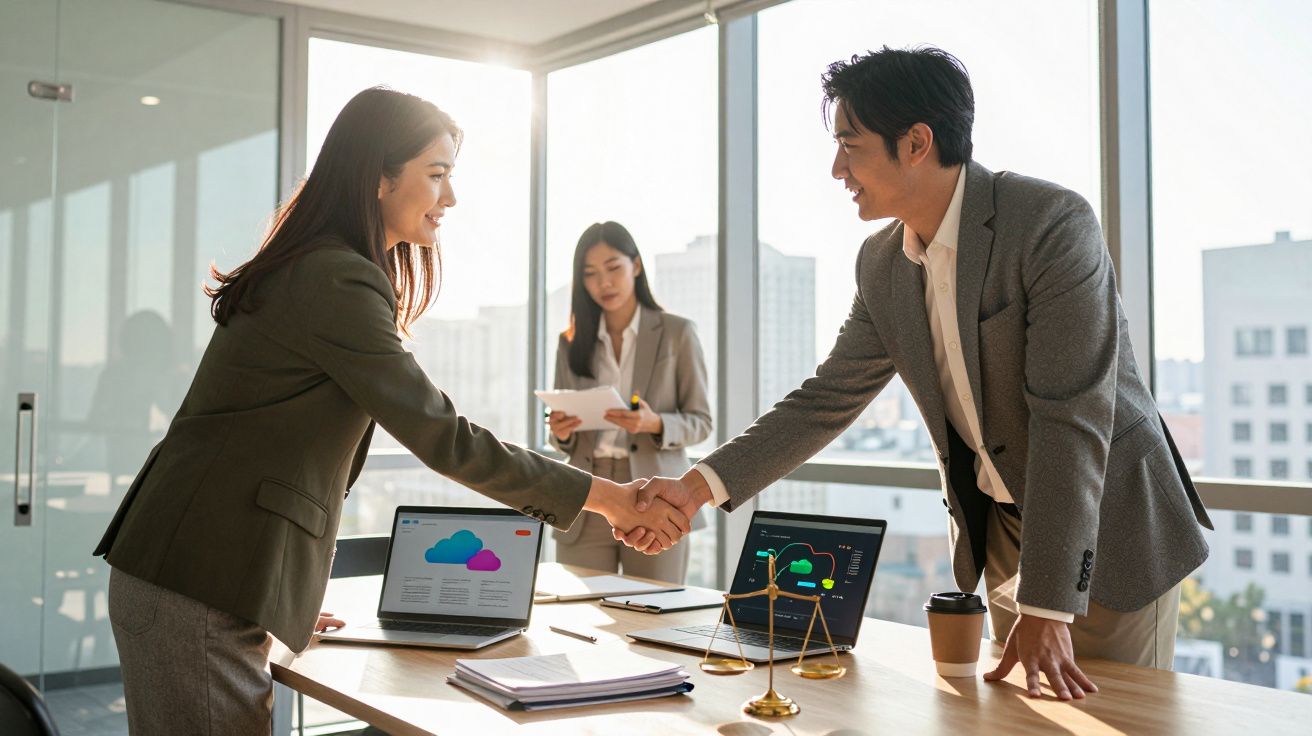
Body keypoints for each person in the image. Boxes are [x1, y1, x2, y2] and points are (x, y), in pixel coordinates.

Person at [620, 47, 1213, 701]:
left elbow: (1071, 417)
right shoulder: (882, 263)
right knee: (1021, 716)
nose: (836, 168)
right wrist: (698, 488)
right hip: (1004, 533)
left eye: (850, 144)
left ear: (916, 142)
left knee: (1118, 715)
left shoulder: (1047, 223)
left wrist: (1048, 604)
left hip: (1108, 524)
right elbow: (826, 398)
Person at [92, 87, 690, 734]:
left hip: (204, 577)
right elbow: (442, 436)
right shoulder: (335, 278)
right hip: (197, 587)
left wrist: (279, 592)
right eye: (437, 175)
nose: (450, 198)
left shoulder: (317, 268)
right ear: (378, 177)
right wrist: (613, 500)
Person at [547, 221, 712, 583]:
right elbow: (561, 434)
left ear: (635, 266)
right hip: (587, 489)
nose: (603, 283)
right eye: (590, 274)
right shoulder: (571, 342)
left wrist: (655, 424)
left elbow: (701, 420)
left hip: (652, 492)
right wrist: (560, 431)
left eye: (613, 268)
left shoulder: (677, 332)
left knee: (652, 612)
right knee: (580, 612)